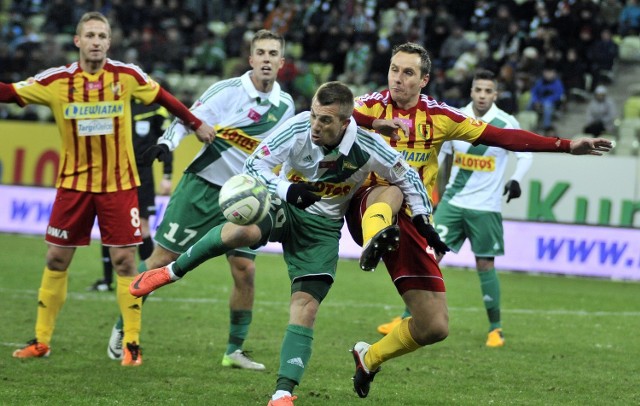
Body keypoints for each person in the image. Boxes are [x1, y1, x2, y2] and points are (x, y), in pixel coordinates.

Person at [127, 81, 443, 406]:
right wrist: (287, 190)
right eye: (315, 116)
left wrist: (423, 219)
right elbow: (254, 165)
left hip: (322, 230)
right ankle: (170, 272)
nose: (316, 125)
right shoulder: (296, 128)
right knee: (242, 231)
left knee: (305, 308)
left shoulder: (368, 147)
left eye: (326, 120)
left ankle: (282, 393)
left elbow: (409, 177)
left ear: (346, 123)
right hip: (284, 207)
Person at [347, 42, 611, 399]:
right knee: (392, 188)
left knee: (434, 326)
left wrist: (565, 145)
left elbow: (504, 137)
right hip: (366, 203)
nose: (398, 78)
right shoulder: (370, 104)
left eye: (408, 72)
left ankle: (370, 357)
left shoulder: (440, 116)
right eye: (394, 69)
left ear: (424, 79)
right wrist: (375, 122)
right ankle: (375, 239)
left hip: (410, 221)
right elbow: (330, 110)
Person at [1, 11, 215, 366]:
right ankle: (41, 341)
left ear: (109, 42)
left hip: (119, 184)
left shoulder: (126, 76)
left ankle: (131, 344)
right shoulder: (57, 81)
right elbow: (10, 93)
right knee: (56, 257)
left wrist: (195, 123)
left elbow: (163, 96)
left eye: (102, 36)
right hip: (73, 185)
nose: (96, 41)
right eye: (90, 35)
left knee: (123, 260)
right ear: (78, 41)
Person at [107, 29, 296, 369]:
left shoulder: (285, 106)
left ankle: (234, 350)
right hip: (202, 189)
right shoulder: (226, 92)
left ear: (281, 63)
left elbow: (281, 154)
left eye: (273, 54)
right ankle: (124, 329)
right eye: (261, 53)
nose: (266, 59)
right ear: (250, 59)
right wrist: (167, 145)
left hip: (245, 199)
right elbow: (185, 119)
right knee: (159, 261)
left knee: (245, 271)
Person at [375, 69, 533, 348]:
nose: (482, 95)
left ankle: (495, 329)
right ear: (471, 91)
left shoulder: (506, 122)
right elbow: (440, 156)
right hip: (453, 203)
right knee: (428, 256)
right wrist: (435, 195)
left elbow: (525, 154)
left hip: (486, 207)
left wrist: (516, 180)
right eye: (478, 90)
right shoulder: (456, 118)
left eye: (488, 91)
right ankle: (405, 317)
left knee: (485, 264)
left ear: (495, 95)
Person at [89, 98, 173, 293]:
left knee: (143, 227)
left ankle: (150, 281)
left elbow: (167, 141)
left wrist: (167, 174)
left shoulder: (155, 110)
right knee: (109, 227)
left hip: (143, 175)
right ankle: (106, 281)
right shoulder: (113, 104)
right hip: (114, 174)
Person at [527, 64, 565, 133]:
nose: (548, 74)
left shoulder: (558, 83)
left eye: (550, 72)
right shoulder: (540, 81)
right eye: (546, 72)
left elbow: (558, 96)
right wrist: (536, 100)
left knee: (547, 104)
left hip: (552, 103)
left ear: (554, 73)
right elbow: (534, 92)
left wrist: (542, 101)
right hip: (539, 101)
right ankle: (527, 121)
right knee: (530, 100)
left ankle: (546, 127)